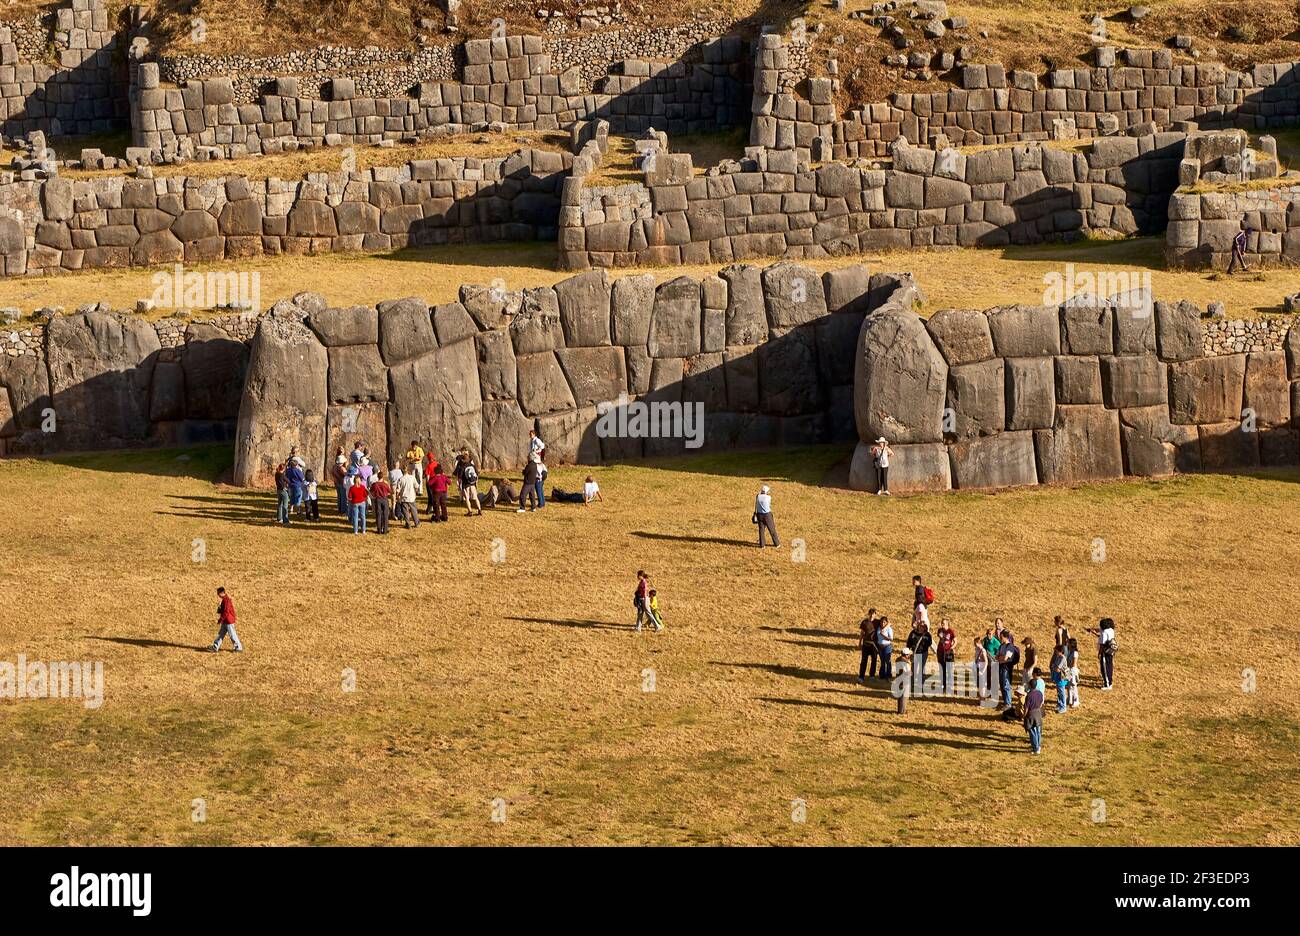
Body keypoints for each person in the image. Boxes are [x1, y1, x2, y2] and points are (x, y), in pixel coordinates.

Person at [209, 586, 243, 653]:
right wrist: (220, 610)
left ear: (222, 593)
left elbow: (226, 612)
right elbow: (224, 610)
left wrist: (220, 619)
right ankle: (215, 647)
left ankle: (238, 648)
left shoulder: (226, 600)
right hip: (226, 621)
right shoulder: (225, 600)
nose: (218, 595)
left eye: (218, 593)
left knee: (232, 634)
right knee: (220, 634)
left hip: (228, 621)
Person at [1087, 617, 1117, 690]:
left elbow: (1102, 645)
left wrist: (1099, 653)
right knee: (1109, 666)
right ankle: (1109, 682)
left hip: (1105, 653)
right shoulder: (1111, 630)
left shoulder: (1104, 633)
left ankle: (1107, 684)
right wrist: (1092, 630)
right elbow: (1099, 631)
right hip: (1111, 651)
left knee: (1104, 668)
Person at [906, 619, 932, 693]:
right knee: (913, 669)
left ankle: (921, 686)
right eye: (920, 624)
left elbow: (929, 644)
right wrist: (907, 652)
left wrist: (925, 640)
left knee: (921, 669)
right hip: (914, 653)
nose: (921, 626)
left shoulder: (927, 634)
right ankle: (911, 686)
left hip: (923, 653)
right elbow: (908, 643)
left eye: (923, 625)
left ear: (925, 627)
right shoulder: (913, 633)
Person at [995, 629, 1019, 708]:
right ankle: (1005, 702)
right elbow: (996, 656)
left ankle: (1008, 703)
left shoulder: (1010, 647)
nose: (1000, 639)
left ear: (1006, 637)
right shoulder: (1001, 646)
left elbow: (1005, 658)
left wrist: (1000, 657)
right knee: (1002, 685)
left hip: (1007, 668)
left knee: (1006, 685)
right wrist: (1001, 657)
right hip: (1001, 666)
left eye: (1001, 638)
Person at [457, 449, 483, 516]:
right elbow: (477, 474)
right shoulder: (472, 465)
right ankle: (479, 510)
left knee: (467, 498)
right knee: (476, 498)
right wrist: (476, 483)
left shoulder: (462, 467)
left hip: (466, 485)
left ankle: (470, 511)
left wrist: (459, 486)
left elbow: (459, 478)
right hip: (473, 483)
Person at [1024, 671, 1044, 754]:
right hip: (1038, 712)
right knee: (1038, 730)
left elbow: (1026, 708)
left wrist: (1024, 716)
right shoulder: (1040, 693)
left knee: (1032, 732)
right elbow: (1041, 702)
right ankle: (1038, 746)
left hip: (1031, 714)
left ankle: (1035, 748)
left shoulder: (1029, 695)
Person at [857, 609, 879, 684]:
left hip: (874, 645)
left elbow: (888, 623)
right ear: (868, 614)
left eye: (873, 614)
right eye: (871, 614)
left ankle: (872, 676)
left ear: (875, 614)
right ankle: (861, 676)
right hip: (866, 644)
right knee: (864, 661)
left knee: (874, 661)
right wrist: (859, 643)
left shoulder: (877, 622)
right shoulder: (864, 622)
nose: (872, 615)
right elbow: (862, 633)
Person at [936, 618, 956, 694]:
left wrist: (952, 648)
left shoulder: (951, 631)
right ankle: (943, 686)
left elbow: (955, 641)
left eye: (944, 623)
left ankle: (950, 686)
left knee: (949, 670)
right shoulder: (939, 630)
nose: (942, 624)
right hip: (940, 652)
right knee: (942, 669)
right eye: (941, 623)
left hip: (948, 653)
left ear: (947, 624)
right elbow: (940, 638)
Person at [370, 469, 392, 534]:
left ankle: (379, 529)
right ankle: (385, 529)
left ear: (377, 477)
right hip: (384, 499)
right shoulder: (385, 484)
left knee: (378, 515)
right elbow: (390, 491)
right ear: (382, 477)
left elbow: (371, 491)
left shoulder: (375, 484)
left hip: (378, 500)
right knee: (385, 514)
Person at [1049, 643, 1069, 714]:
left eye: (1056, 651)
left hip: (1061, 678)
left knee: (1062, 692)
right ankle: (1059, 704)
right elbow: (1054, 666)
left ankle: (1063, 707)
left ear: (1060, 651)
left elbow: (1057, 668)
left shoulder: (1063, 658)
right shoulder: (1058, 657)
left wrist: (1054, 667)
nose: (1055, 652)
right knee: (1058, 692)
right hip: (1057, 677)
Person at [877, 615, 894, 680]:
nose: (882, 623)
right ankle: (882, 675)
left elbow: (891, 639)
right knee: (882, 661)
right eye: (881, 622)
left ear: (886, 622)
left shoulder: (889, 629)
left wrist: (883, 635)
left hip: (887, 646)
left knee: (887, 661)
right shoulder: (878, 628)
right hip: (880, 647)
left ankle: (888, 674)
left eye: (884, 622)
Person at [1066, 637, 1081, 708]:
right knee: (1069, 686)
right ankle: (1070, 699)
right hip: (1069, 670)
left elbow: (1074, 663)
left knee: (1073, 686)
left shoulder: (1075, 653)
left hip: (1072, 671)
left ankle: (1076, 700)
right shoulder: (1069, 651)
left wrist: (1069, 669)